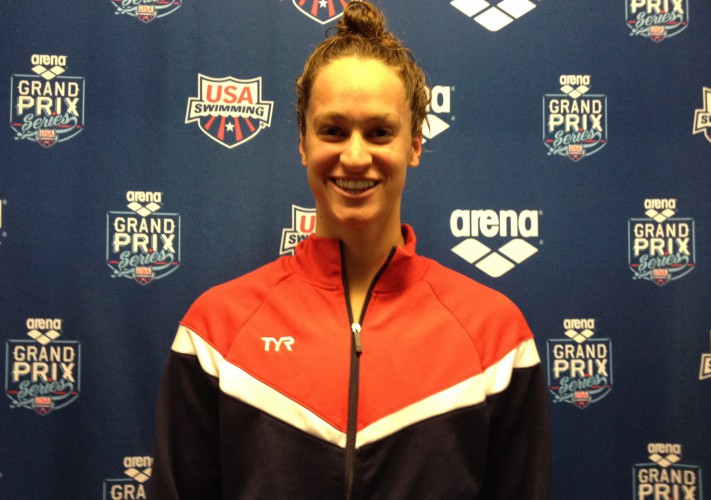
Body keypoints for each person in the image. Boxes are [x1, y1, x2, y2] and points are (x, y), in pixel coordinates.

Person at [151, 2, 551, 498]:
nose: (356, 156)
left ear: (415, 144)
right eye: (333, 131)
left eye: (380, 132)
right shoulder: (216, 332)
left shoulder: (495, 336)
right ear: (303, 142)